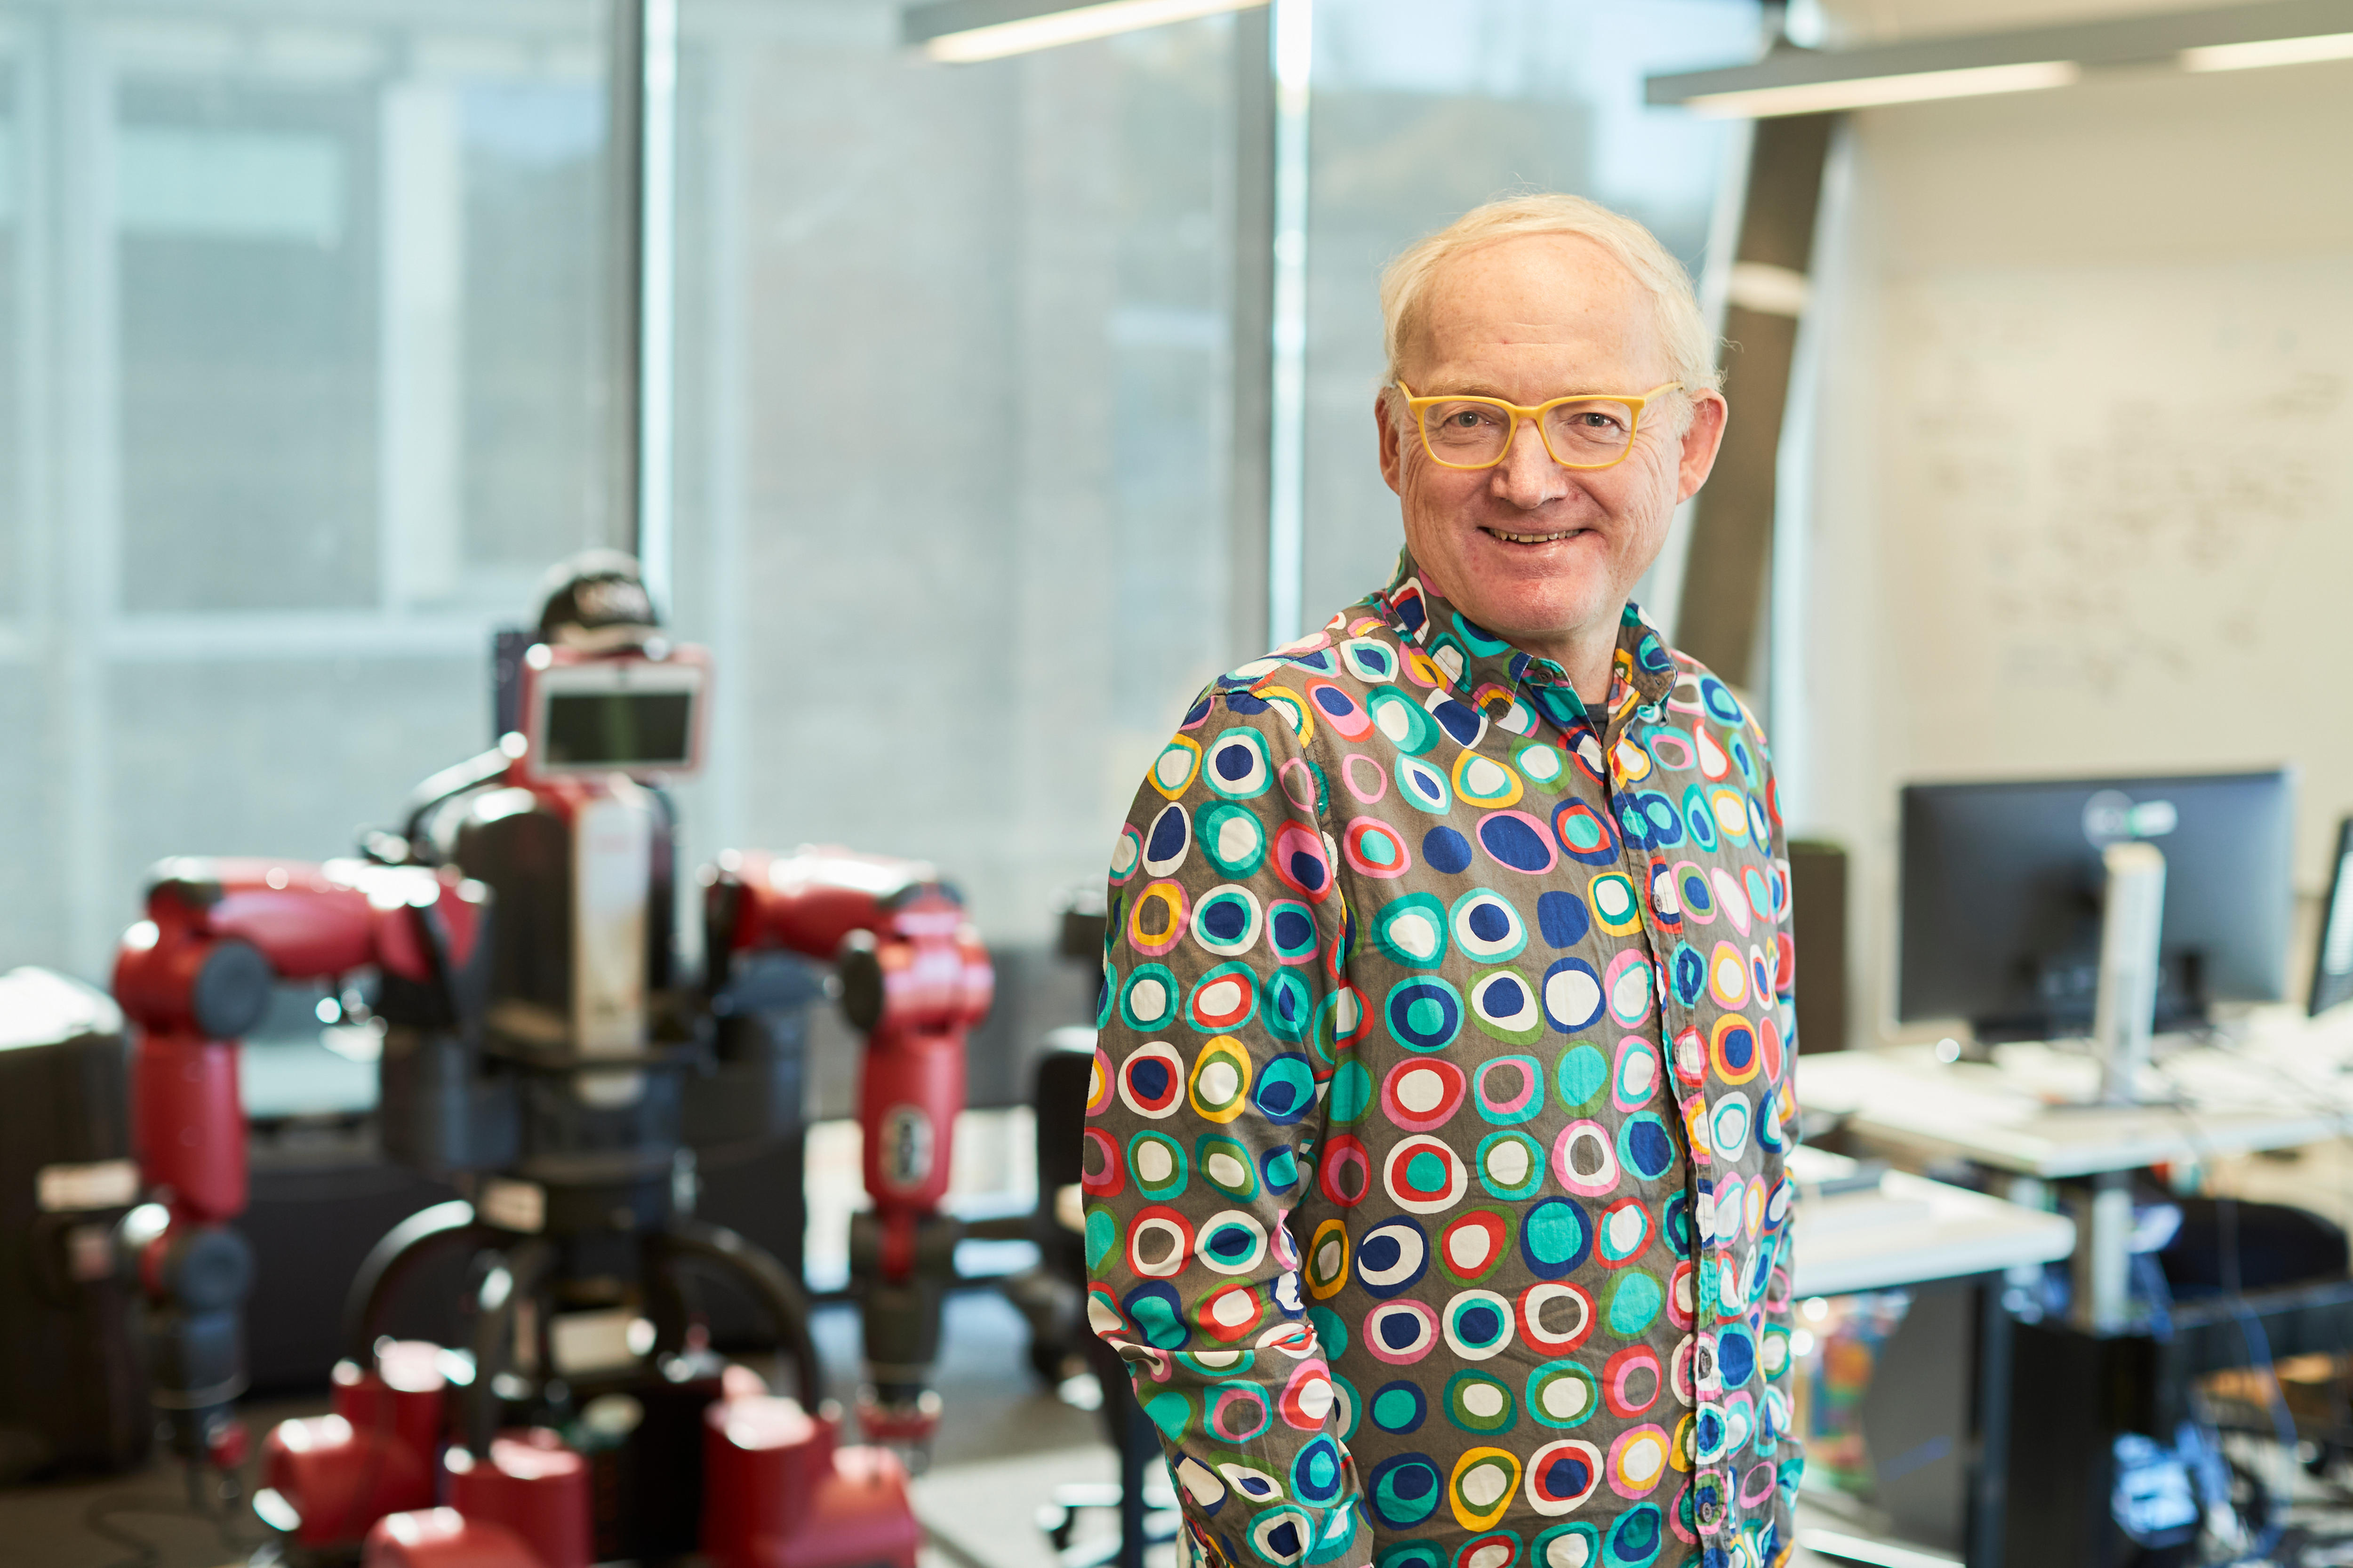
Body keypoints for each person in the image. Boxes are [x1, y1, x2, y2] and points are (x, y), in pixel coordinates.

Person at [1084, 192, 1800, 1568]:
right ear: (1393, 439)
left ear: (1692, 441)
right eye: (1470, 417)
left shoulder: (1720, 742)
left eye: (1593, 418)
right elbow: (1186, 1246)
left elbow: (1753, 1199)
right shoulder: (1279, 751)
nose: (1529, 480)